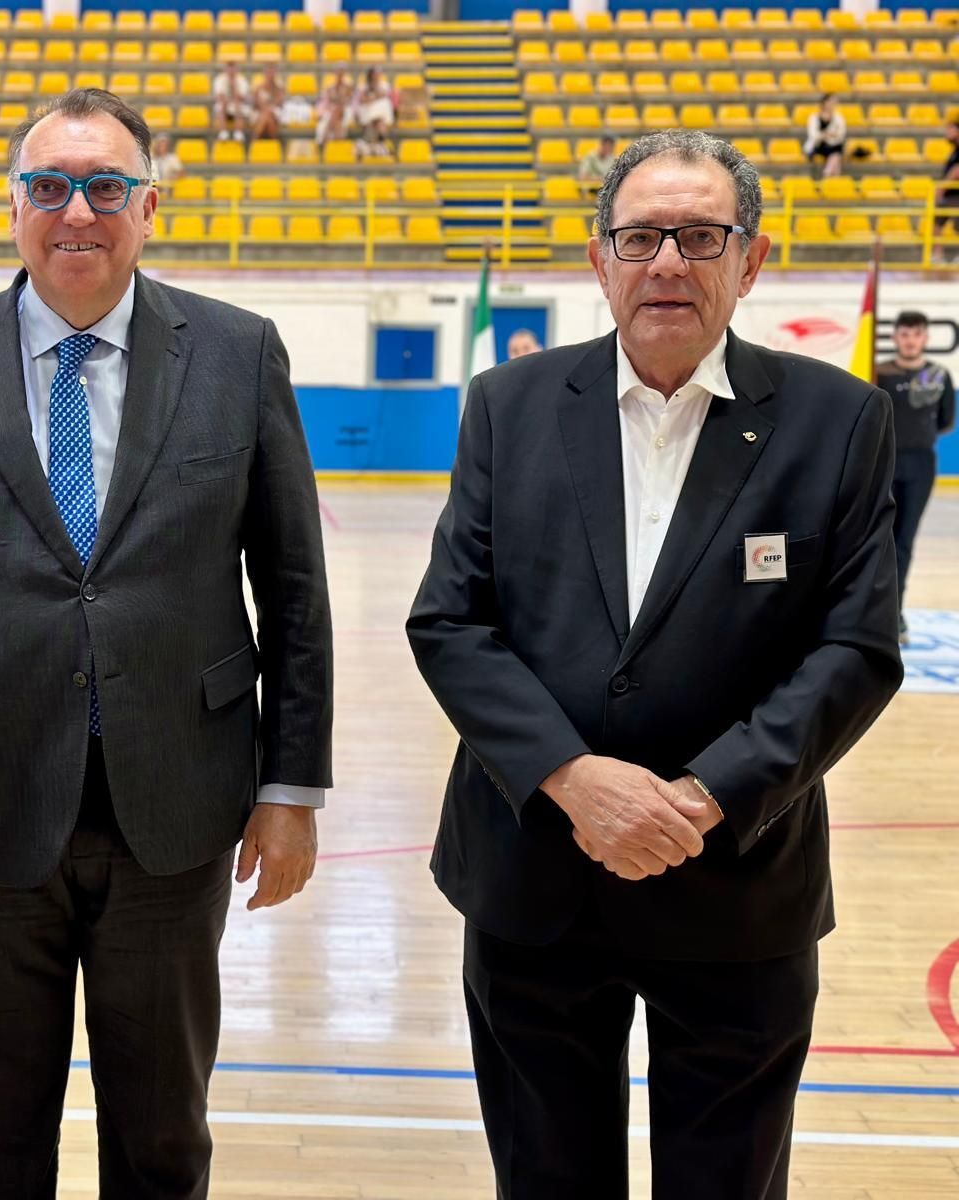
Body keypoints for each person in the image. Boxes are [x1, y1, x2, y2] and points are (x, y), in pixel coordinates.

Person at [0, 88, 334, 1199]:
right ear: (13, 206)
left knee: (163, 1138)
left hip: (178, 800)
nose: (78, 210)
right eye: (50, 185)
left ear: (148, 206)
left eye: (105, 186)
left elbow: (294, 592)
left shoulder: (236, 351)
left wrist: (291, 789)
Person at [406, 130, 902, 1200]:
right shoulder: (510, 407)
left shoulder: (837, 420)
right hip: (533, 877)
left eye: (698, 235)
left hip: (734, 886)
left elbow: (855, 649)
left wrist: (698, 799)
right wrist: (572, 781)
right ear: (599, 260)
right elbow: (450, 622)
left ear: (750, 258)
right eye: (638, 236)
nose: (666, 261)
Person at [875, 309, 956, 642]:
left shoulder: (937, 375)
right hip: (884, 463)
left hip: (921, 465)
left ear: (925, 338)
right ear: (896, 337)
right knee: (881, 540)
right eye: (905, 334)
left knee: (905, 541)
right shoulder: (879, 373)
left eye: (916, 334)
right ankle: (871, 612)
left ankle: (896, 613)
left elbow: (946, 420)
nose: (910, 340)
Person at [933, 117, 959, 262]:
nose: (947, 133)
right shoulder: (954, 150)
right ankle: (938, 255)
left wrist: (941, 188)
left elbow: (956, 171)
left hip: (956, 195)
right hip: (950, 196)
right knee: (937, 223)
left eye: (950, 129)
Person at [354, 66, 396, 157]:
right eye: (375, 74)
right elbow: (363, 99)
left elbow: (388, 97)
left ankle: (381, 140)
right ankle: (379, 140)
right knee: (377, 117)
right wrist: (376, 96)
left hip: (380, 114)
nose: (376, 76)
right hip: (367, 112)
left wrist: (374, 96)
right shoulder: (363, 87)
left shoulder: (385, 85)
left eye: (378, 74)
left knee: (381, 116)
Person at [802, 92, 846, 178]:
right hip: (817, 147)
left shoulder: (838, 118)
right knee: (836, 152)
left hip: (832, 146)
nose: (833, 104)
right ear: (824, 102)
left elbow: (840, 135)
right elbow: (814, 135)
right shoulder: (814, 117)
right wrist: (827, 135)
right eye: (831, 101)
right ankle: (830, 176)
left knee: (836, 151)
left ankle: (828, 173)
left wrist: (826, 135)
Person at [212, 59, 251, 142]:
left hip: (238, 107)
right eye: (229, 67)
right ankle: (223, 132)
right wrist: (228, 100)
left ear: (237, 69)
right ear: (225, 69)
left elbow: (242, 97)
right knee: (222, 104)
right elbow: (219, 97)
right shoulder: (220, 80)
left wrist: (234, 86)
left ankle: (238, 132)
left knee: (238, 104)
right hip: (225, 106)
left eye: (233, 67)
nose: (231, 70)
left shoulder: (242, 80)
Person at [251, 63, 285, 143]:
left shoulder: (279, 88)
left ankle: (254, 141)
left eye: (272, 71)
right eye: (268, 72)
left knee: (267, 116)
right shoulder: (258, 88)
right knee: (267, 118)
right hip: (262, 113)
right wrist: (267, 109)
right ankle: (274, 142)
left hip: (273, 112)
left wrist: (268, 108)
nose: (270, 74)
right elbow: (258, 104)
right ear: (264, 73)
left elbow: (279, 102)